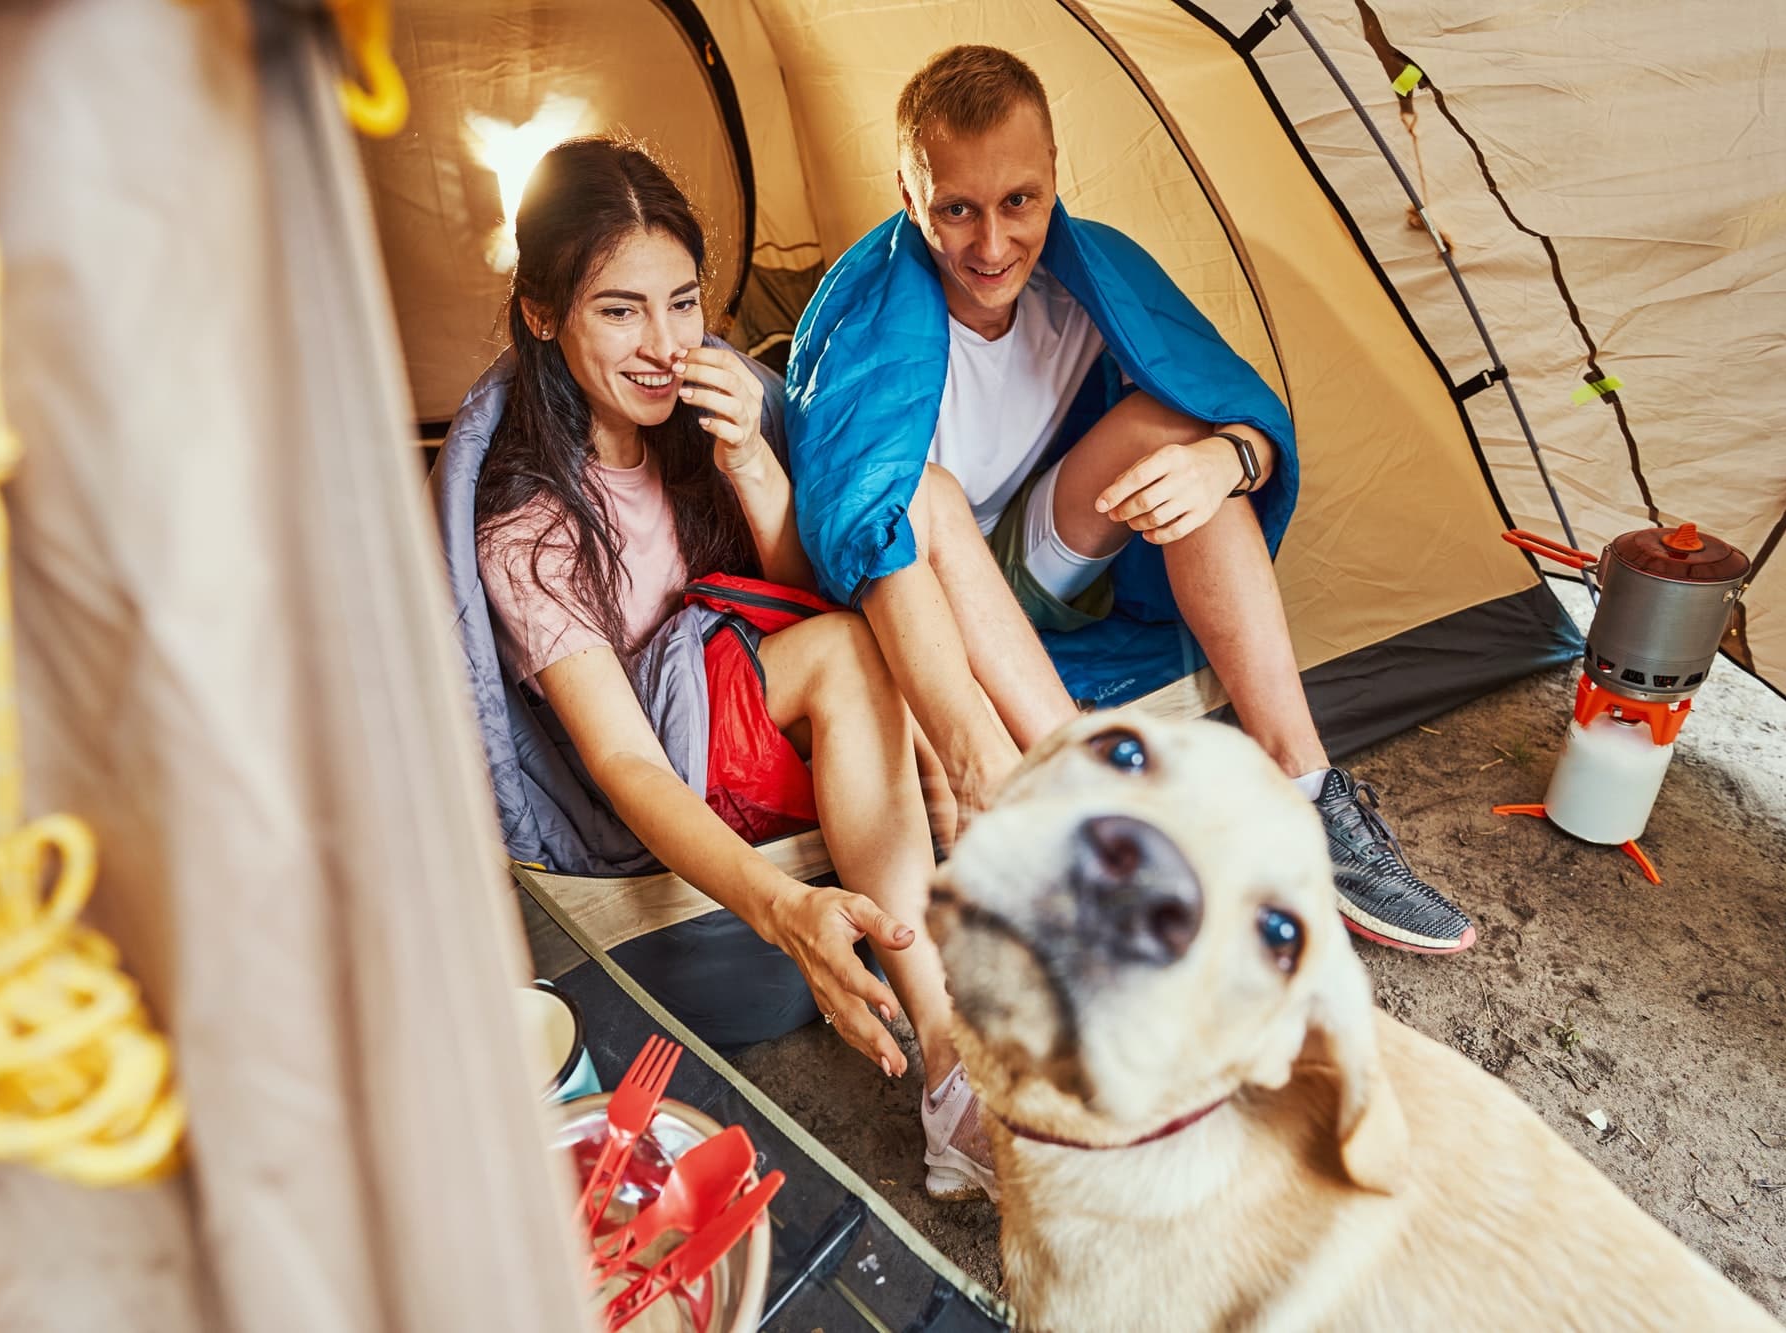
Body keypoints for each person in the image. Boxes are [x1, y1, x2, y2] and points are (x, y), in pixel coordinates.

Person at [785, 47, 1476, 957]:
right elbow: (852, 525)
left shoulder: (1091, 272)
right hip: (922, 598)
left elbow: (1238, 407)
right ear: (910, 196)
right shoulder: (864, 312)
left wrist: (1223, 461)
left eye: (1019, 203)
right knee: (921, 490)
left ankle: (1303, 787)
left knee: (1182, 431)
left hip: (1039, 556)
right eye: (957, 209)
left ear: (1054, 178)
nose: (992, 246)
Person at [463, 138, 996, 1200]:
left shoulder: (701, 416)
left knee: (894, 553)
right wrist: (778, 908)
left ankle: (994, 848)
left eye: (681, 301)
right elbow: (620, 759)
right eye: (618, 311)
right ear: (540, 313)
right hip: (675, 758)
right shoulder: (530, 525)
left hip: (752, 697)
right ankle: (949, 1069)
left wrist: (751, 456)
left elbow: (804, 587)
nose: (662, 343)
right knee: (855, 651)